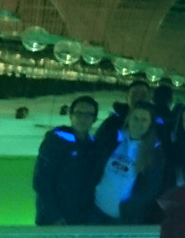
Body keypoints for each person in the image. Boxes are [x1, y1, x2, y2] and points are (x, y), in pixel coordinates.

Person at [93, 101, 166, 224]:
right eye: (135, 118)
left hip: (124, 219)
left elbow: (152, 186)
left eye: (144, 120)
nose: (139, 123)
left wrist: (130, 207)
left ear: (150, 124)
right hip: (96, 211)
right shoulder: (112, 139)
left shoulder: (154, 152)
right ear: (128, 119)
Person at [32, 95, 101, 225]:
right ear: (70, 115)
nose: (83, 118)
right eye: (79, 113)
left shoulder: (94, 146)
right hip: (54, 220)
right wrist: (54, 216)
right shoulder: (55, 141)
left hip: (82, 219)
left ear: (94, 119)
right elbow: (42, 181)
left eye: (88, 114)